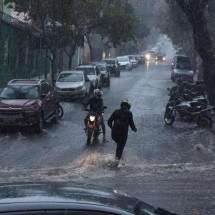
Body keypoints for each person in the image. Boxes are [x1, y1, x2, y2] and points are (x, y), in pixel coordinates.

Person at [108, 100, 137, 167]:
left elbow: (109, 122)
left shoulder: (116, 111)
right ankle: (117, 161)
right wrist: (134, 129)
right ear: (128, 106)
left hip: (114, 134)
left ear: (121, 105)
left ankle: (117, 158)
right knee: (120, 146)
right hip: (123, 134)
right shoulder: (129, 113)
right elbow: (131, 124)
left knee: (118, 144)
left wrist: (112, 128)